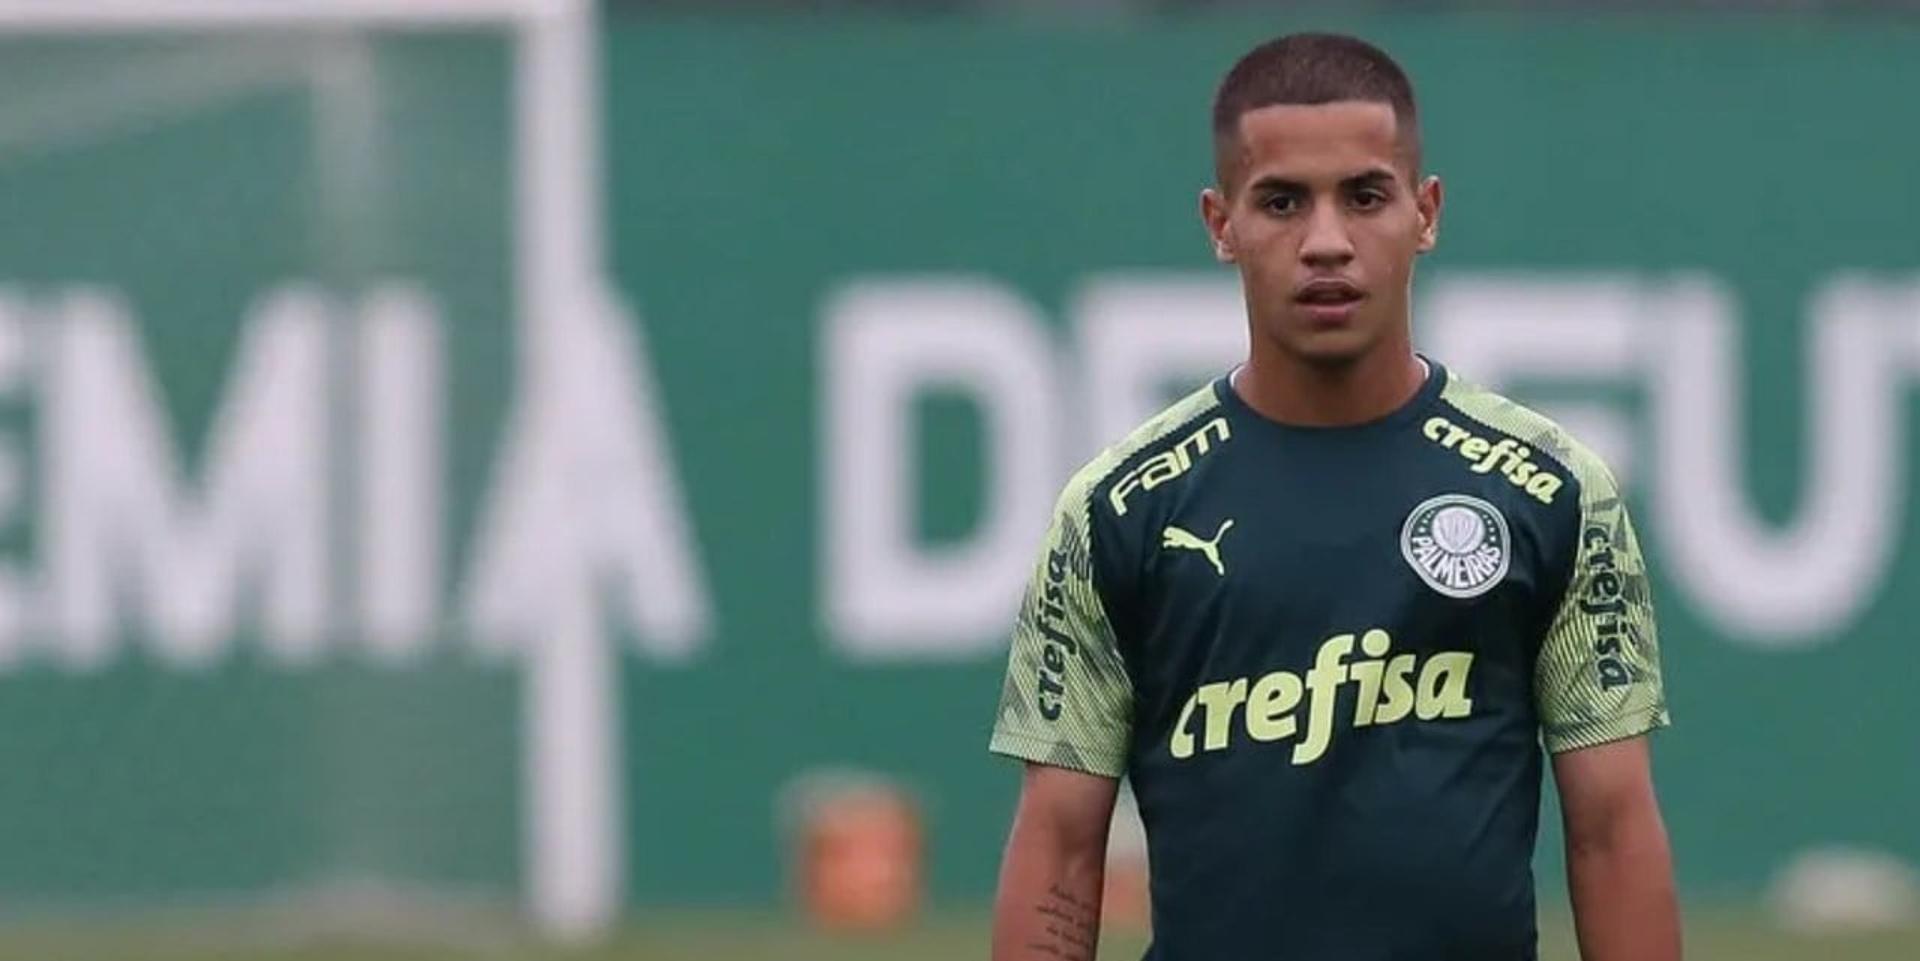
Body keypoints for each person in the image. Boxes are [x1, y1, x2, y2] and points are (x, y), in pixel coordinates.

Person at [987, 32, 1680, 961]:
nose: (1325, 241)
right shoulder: (1117, 510)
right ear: (1219, 222)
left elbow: (1612, 827)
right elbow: (1062, 844)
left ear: (1425, 212)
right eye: (1280, 201)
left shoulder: (1552, 491)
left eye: (1364, 195)